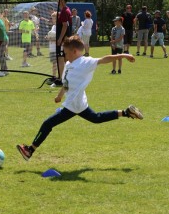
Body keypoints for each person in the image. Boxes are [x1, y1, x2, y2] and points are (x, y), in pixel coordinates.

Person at [16, 35, 144, 161]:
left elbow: (105, 59)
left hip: (73, 105)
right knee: (96, 118)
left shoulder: (85, 62)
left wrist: (124, 55)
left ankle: (30, 150)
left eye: (66, 53)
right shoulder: (68, 64)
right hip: (79, 102)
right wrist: (59, 96)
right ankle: (127, 112)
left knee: (48, 124)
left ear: (75, 51)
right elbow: (66, 83)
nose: (65, 55)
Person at [55, 0, 72, 85]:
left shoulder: (65, 11)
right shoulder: (65, 10)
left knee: (61, 58)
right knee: (64, 59)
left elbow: (65, 26)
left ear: (61, 1)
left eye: (58, 0)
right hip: (64, 40)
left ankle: (62, 80)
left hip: (63, 40)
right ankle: (63, 78)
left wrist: (60, 39)